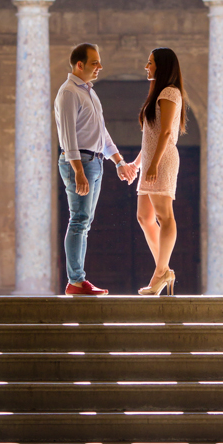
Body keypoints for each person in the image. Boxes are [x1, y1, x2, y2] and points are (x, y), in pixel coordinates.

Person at [55, 42, 137, 296]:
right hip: (80, 163)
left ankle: (77, 280)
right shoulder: (69, 92)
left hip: (95, 162)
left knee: (85, 222)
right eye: (94, 63)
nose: (100, 67)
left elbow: (101, 132)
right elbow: (68, 136)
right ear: (79, 65)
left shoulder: (89, 92)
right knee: (78, 220)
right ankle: (76, 281)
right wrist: (78, 170)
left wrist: (119, 162)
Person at [128, 47, 186, 296]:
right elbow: (149, 138)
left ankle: (159, 273)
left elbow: (164, 134)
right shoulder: (156, 93)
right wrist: (137, 163)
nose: (146, 66)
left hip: (162, 161)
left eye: (149, 62)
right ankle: (163, 270)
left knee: (165, 216)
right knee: (144, 217)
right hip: (152, 160)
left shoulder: (169, 92)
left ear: (161, 66)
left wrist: (152, 164)